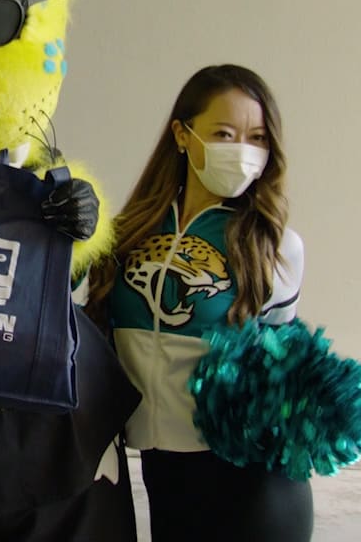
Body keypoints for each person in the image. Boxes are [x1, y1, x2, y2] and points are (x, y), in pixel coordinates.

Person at [87, 64, 313, 542]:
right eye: (225, 133)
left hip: (249, 480)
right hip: (161, 470)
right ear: (183, 135)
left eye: (256, 137)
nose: (243, 151)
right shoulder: (126, 235)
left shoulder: (274, 246)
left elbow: (282, 366)